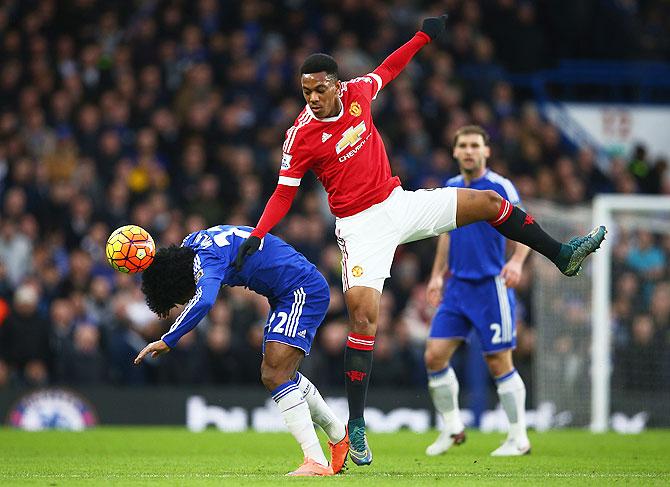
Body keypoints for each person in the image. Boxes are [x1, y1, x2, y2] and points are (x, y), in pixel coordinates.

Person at [233, 15, 606, 465]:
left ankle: (562, 254)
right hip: (359, 227)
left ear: (335, 84)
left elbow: (391, 66)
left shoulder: (357, 93)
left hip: (399, 204)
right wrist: (257, 234)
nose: (312, 98)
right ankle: (356, 425)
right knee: (364, 318)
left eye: (318, 89)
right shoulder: (301, 137)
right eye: (306, 92)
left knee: (489, 202)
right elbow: (283, 193)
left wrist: (424, 36)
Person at [133, 224, 349, 477]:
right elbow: (173, 267)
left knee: (274, 375)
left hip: (300, 290)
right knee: (279, 373)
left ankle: (315, 460)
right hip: (286, 293)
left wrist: (169, 339)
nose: (186, 301)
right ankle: (338, 435)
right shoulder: (192, 242)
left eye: (182, 298)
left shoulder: (208, 265)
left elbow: (203, 300)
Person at [424, 125, 531, 457]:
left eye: (475, 145)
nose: (469, 151)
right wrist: (436, 275)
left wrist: (516, 263)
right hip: (456, 288)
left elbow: (526, 226)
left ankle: (518, 437)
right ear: (455, 152)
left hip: (490, 286)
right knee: (434, 356)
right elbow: (445, 233)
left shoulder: (500, 187)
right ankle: (452, 426)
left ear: (486, 151)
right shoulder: (451, 188)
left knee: (499, 361)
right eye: (463, 146)